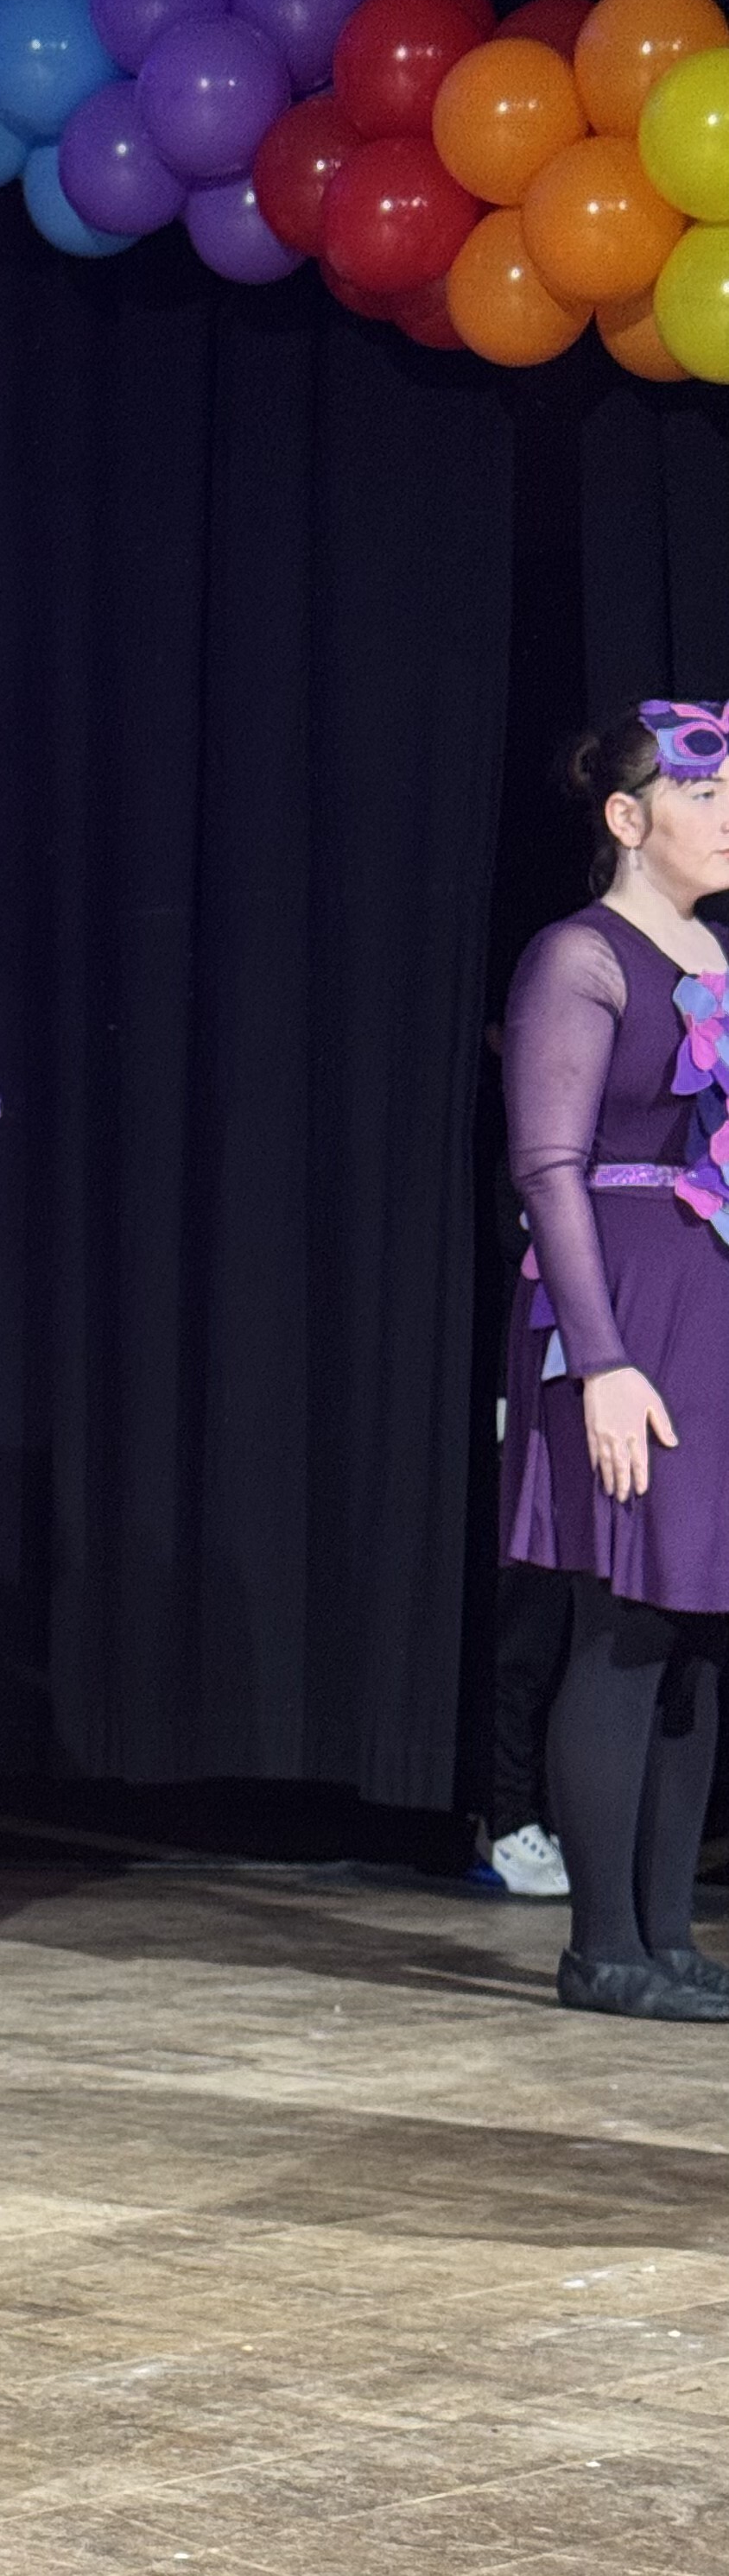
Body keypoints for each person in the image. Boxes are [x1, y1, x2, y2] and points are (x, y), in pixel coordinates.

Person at [502, 698, 729, 2020]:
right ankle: (601, 1947)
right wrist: (600, 1361)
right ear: (628, 819)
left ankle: (667, 1935)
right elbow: (549, 1167)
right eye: (706, 795)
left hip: (709, 1311)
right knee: (627, 1620)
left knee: (700, 1624)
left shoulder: (715, 956)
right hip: (622, 1314)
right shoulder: (580, 957)